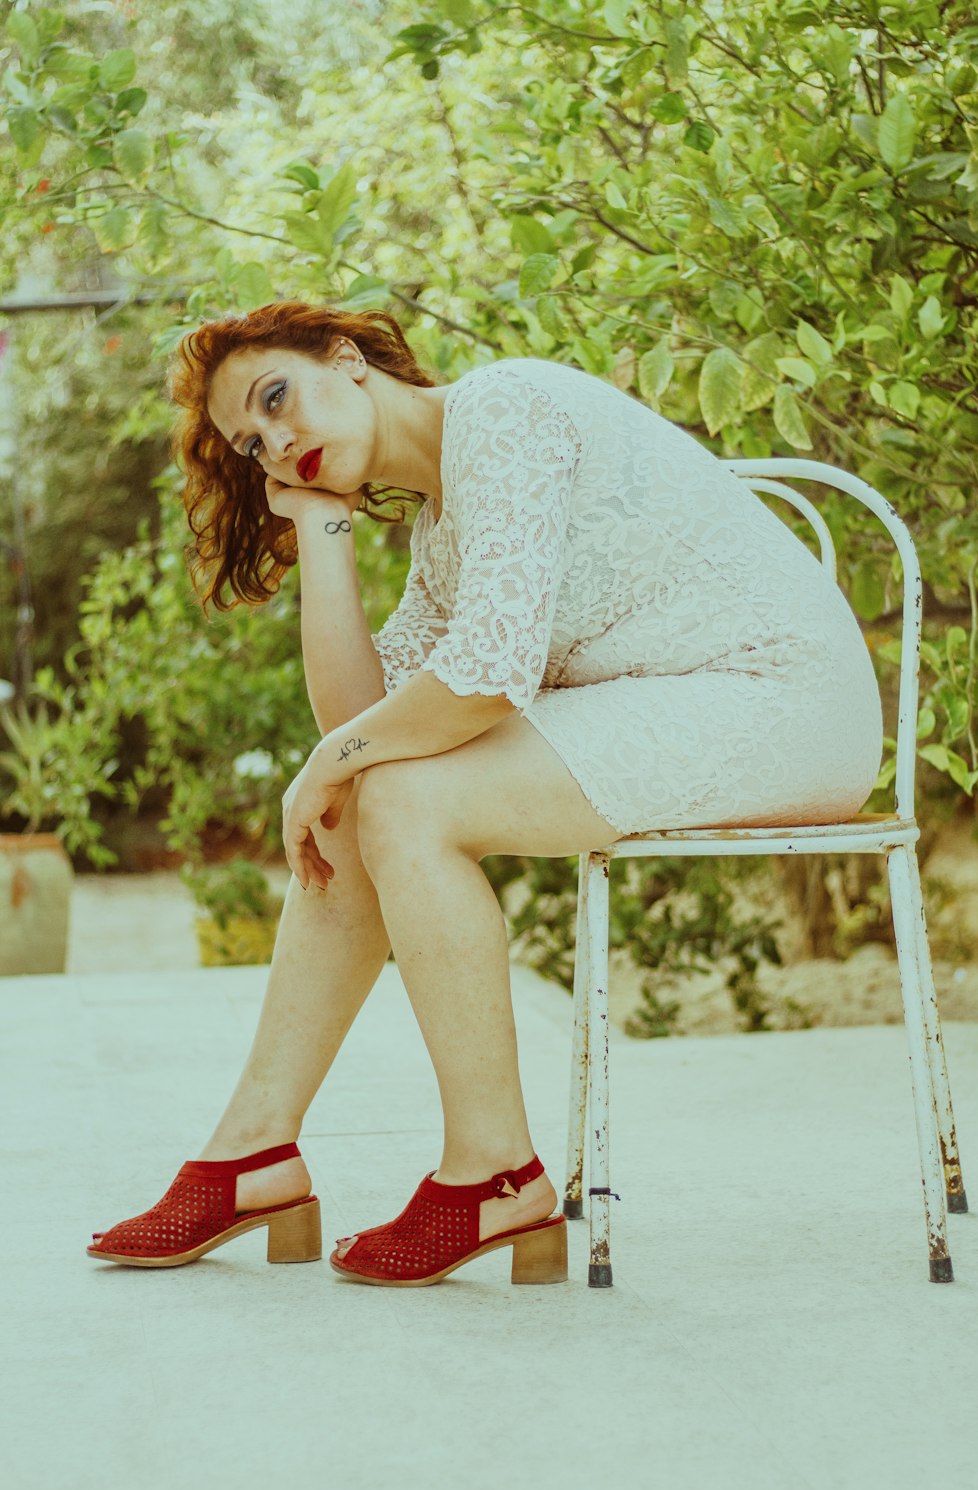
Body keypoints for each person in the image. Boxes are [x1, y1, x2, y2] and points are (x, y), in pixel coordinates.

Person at [86, 300, 883, 1285]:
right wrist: (324, 531)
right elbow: (363, 721)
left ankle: (492, 1174)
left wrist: (332, 764)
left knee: (399, 800)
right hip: (686, 706)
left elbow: (484, 679)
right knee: (365, 798)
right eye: (252, 443)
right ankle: (255, 1151)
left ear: (348, 358)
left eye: (278, 398)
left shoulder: (503, 410)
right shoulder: (440, 536)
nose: (276, 442)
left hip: (778, 701)